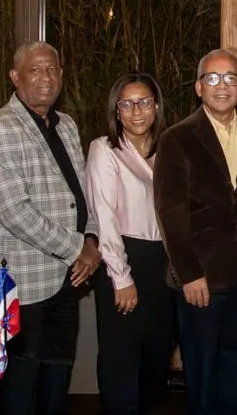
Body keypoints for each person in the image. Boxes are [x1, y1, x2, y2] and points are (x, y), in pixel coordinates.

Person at [0, 41, 101, 415]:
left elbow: (84, 192)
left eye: (52, 69)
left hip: (68, 278)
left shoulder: (66, 125)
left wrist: (93, 239)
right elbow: (15, 212)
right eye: (35, 70)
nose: (45, 77)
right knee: (18, 380)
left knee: (57, 375)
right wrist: (77, 247)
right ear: (15, 78)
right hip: (19, 282)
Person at [154, 49, 237, 415]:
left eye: (230, 78)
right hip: (201, 280)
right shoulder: (176, 138)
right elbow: (171, 213)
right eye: (213, 79)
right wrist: (189, 274)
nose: (222, 86)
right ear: (199, 88)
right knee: (202, 380)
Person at [87, 73, 174, 415]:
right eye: (127, 103)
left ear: (156, 107)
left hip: (163, 265)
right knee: (121, 361)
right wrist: (121, 277)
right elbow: (104, 217)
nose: (136, 111)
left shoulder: (169, 148)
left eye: (145, 102)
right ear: (116, 110)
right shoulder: (105, 150)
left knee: (156, 360)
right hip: (122, 259)